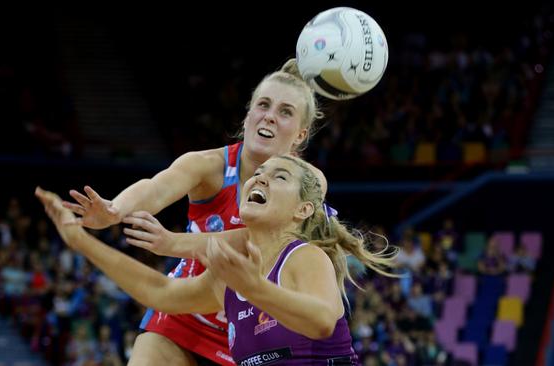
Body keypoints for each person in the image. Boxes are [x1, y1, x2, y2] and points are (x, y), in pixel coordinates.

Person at [61, 59, 325, 365]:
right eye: (263, 105)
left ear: (301, 135)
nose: (269, 117)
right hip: (182, 314)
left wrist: (172, 242)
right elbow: (155, 188)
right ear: (248, 114)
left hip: (252, 335)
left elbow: (257, 240)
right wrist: (114, 209)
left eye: (285, 112)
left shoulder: (309, 184)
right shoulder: (209, 166)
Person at [36, 154, 397, 365]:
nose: (261, 178)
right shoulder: (232, 272)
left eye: (279, 176)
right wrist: (78, 240)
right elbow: (159, 292)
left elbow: (321, 321)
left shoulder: (305, 257)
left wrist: (254, 287)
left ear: (303, 209)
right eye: (258, 173)